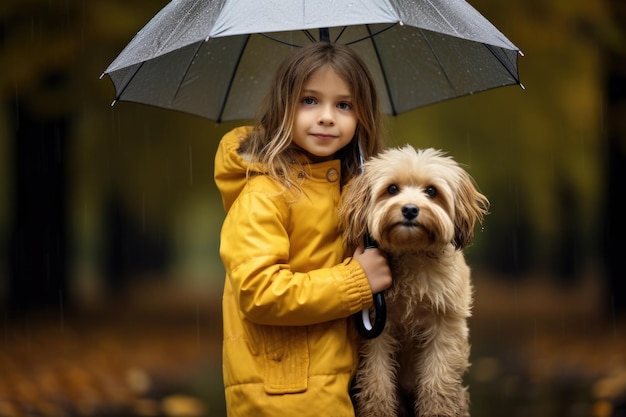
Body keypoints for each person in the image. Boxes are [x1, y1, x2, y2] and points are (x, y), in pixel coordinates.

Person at [214, 41, 392, 417]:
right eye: (309, 101)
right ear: (283, 107)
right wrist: (357, 281)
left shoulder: (352, 193)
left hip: (335, 384)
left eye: (344, 105)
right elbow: (260, 292)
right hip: (283, 395)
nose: (327, 117)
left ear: (362, 116)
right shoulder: (264, 194)